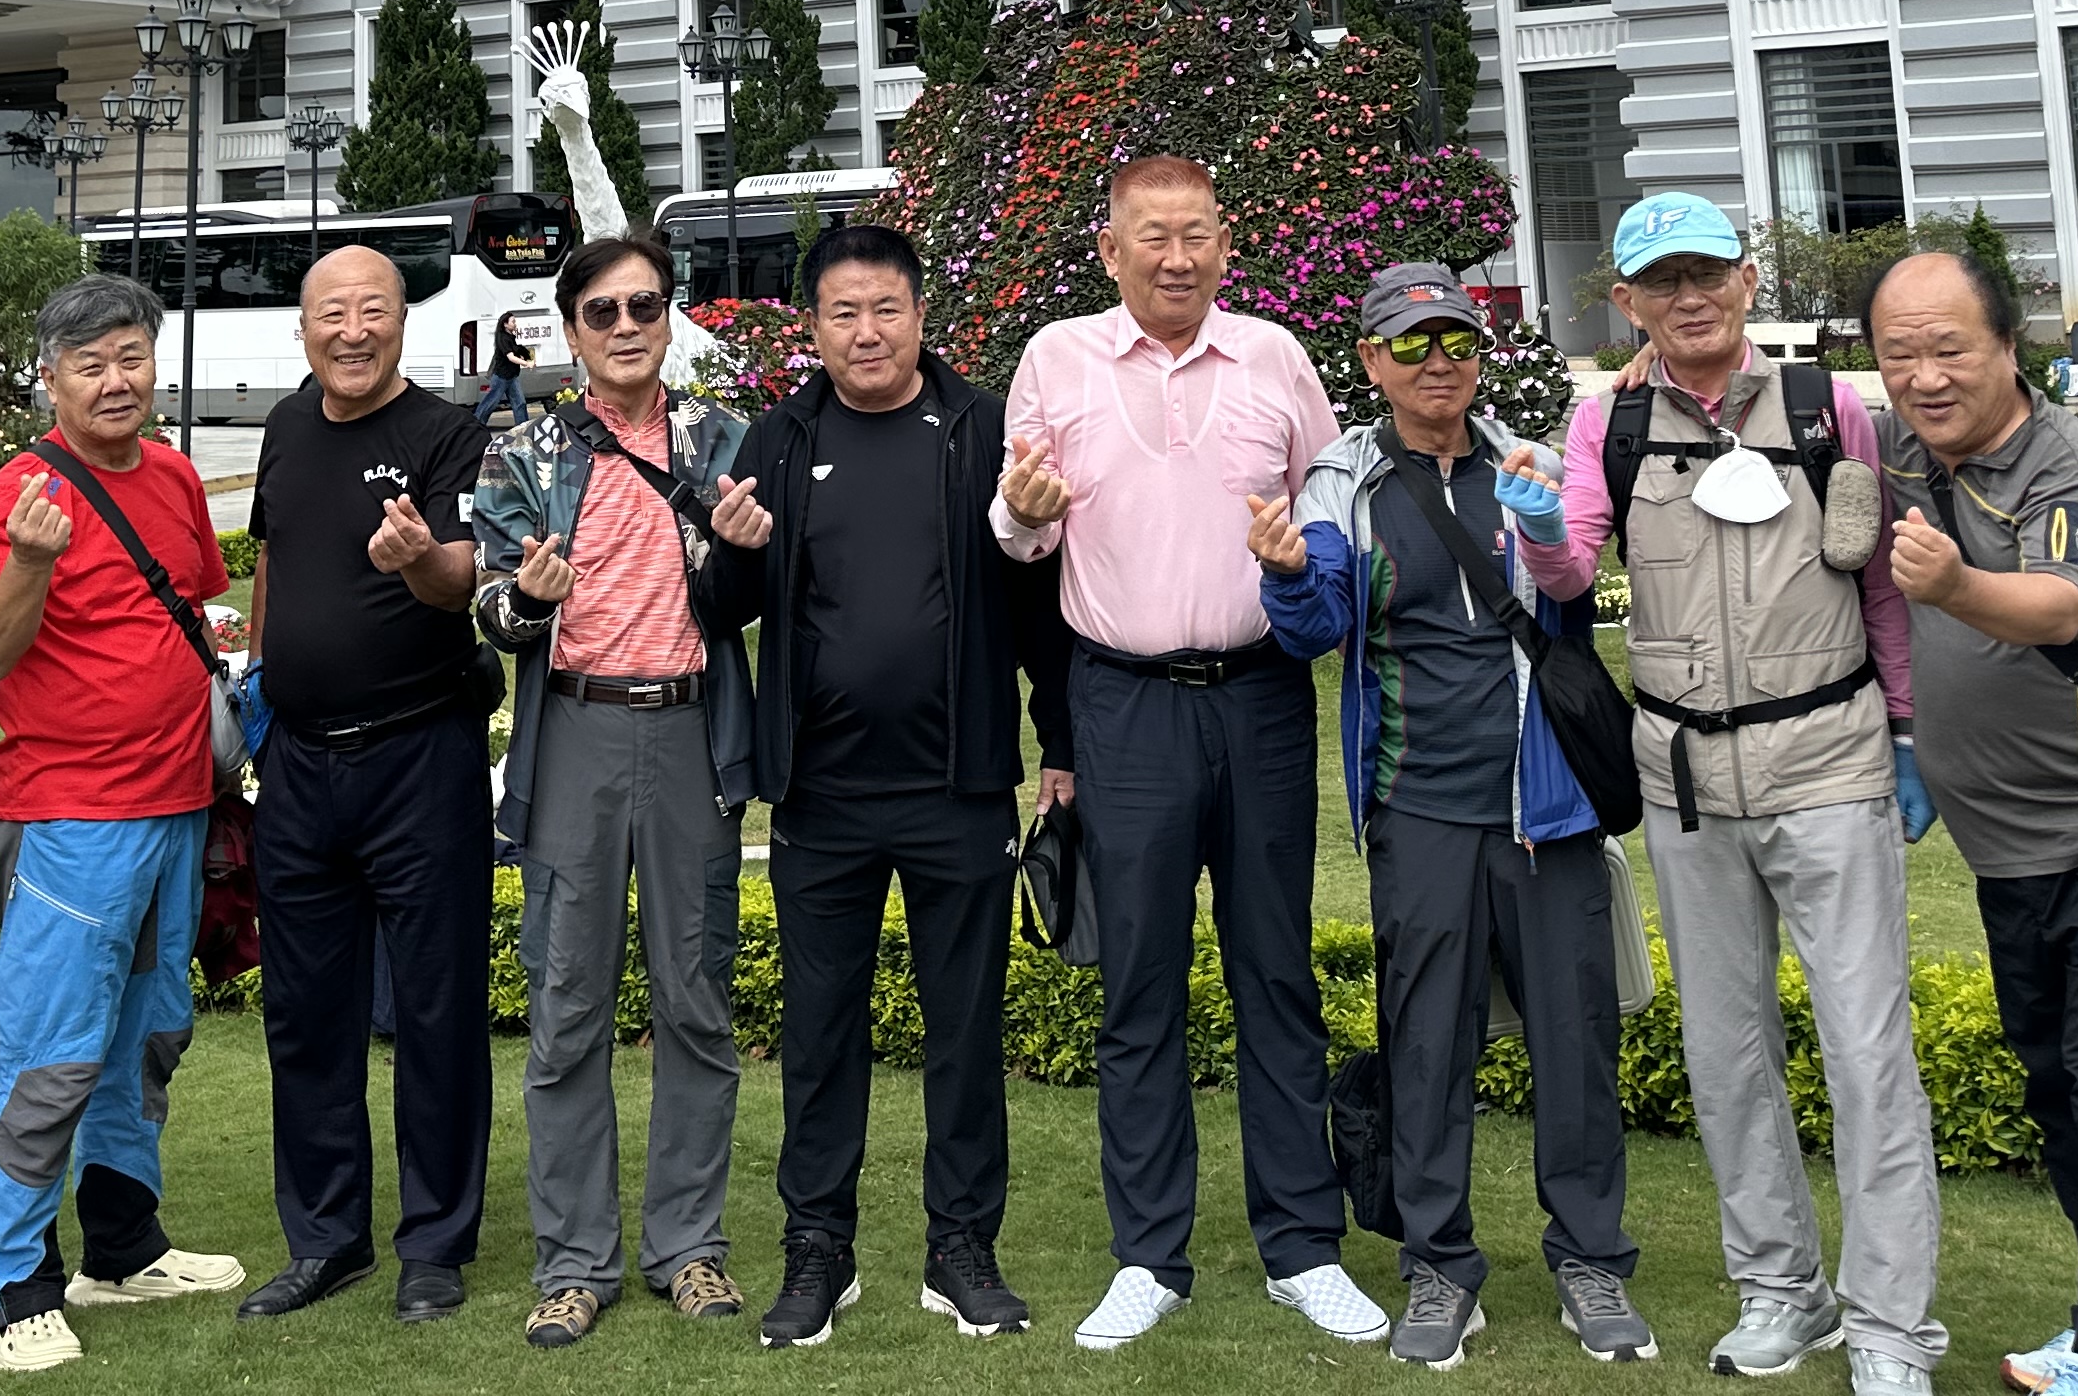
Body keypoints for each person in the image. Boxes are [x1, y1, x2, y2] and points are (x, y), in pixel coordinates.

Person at [1521, 192, 1941, 1396]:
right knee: (1725, 1051)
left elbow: (1881, 586)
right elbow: (1572, 573)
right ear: (1626, 301)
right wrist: (1539, 529)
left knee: (1869, 1052)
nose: (1689, 297)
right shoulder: (1606, 423)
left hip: (1831, 759)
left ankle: (1890, 1327)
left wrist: (1906, 731)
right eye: (1662, 281)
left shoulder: (1827, 407)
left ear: (1747, 281)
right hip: (1686, 776)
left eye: (1708, 273)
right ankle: (1780, 1291)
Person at [989, 156, 1374, 1353]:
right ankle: (1149, 1256)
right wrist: (1026, 514)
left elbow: (1332, 508)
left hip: (1261, 699)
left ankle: (1302, 1247)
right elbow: (1016, 528)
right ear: (1111, 250)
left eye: (1195, 233)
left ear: (1225, 242)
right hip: (1124, 704)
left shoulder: (1275, 357)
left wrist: (1305, 558)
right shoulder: (1058, 358)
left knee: (1277, 975)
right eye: (1151, 236)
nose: (1176, 256)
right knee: (1141, 986)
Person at [1253, 262, 1649, 1369]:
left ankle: (1591, 1259)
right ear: (1371, 360)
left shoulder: (1528, 459)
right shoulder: (1346, 480)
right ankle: (1440, 1266)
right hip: (1418, 804)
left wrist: (1547, 531)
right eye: (1412, 345)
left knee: (1576, 1040)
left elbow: (1570, 595)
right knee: (1426, 1046)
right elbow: (1318, 626)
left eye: (1458, 342)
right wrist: (1285, 575)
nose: (1439, 364)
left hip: (1546, 804)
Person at [701, 220, 1067, 1349]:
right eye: (843, 313)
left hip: (959, 787)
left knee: (965, 1028)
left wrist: (1059, 745)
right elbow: (724, 612)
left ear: (920, 315)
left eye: (886, 309)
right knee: (820, 1033)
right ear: (812, 328)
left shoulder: (982, 427)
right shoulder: (780, 435)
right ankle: (819, 1248)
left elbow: (1038, 601)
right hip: (822, 794)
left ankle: (962, 1250)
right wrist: (733, 550)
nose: (867, 332)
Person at [1867, 249, 2078, 1396]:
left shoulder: (2073, 464)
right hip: (2009, 858)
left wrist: (1954, 586)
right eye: (1899, 354)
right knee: (2063, 1098)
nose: (1925, 376)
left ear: (2009, 348)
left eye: (1949, 348)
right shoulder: (1902, 451)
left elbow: (2059, 605)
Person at [0, 275, 255, 1372]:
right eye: (91, 365)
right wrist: (33, 561)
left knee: (148, 1038)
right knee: (53, 1056)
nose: (116, 380)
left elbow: (195, 612)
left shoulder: (171, 476)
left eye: (131, 357)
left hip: (176, 809)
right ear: (52, 379)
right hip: (71, 820)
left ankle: (121, 1247)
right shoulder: (17, 495)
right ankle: (9, 1285)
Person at [468, 233, 754, 1347]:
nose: (627, 326)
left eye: (645, 306)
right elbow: (491, 614)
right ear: (571, 329)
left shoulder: (723, 440)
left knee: (696, 1000)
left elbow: (761, 588)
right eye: (603, 311)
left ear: (669, 316)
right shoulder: (525, 453)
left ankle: (690, 1248)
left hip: (689, 733)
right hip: (576, 733)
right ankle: (575, 1262)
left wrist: (746, 550)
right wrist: (531, 601)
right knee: (566, 1009)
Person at [236, 242, 498, 1324]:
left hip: (419, 756)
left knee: (437, 1008)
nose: (353, 332)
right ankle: (326, 1238)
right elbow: (270, 561)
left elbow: (462, 578)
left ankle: (434, 1244)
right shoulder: (287, 425)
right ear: (304, 329)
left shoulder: (446, 434)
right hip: (299, 763)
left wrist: (415, 557)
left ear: (403, 322)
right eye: (332, 314)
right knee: (305, 1012)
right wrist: (259, 686)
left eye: (373, 311)